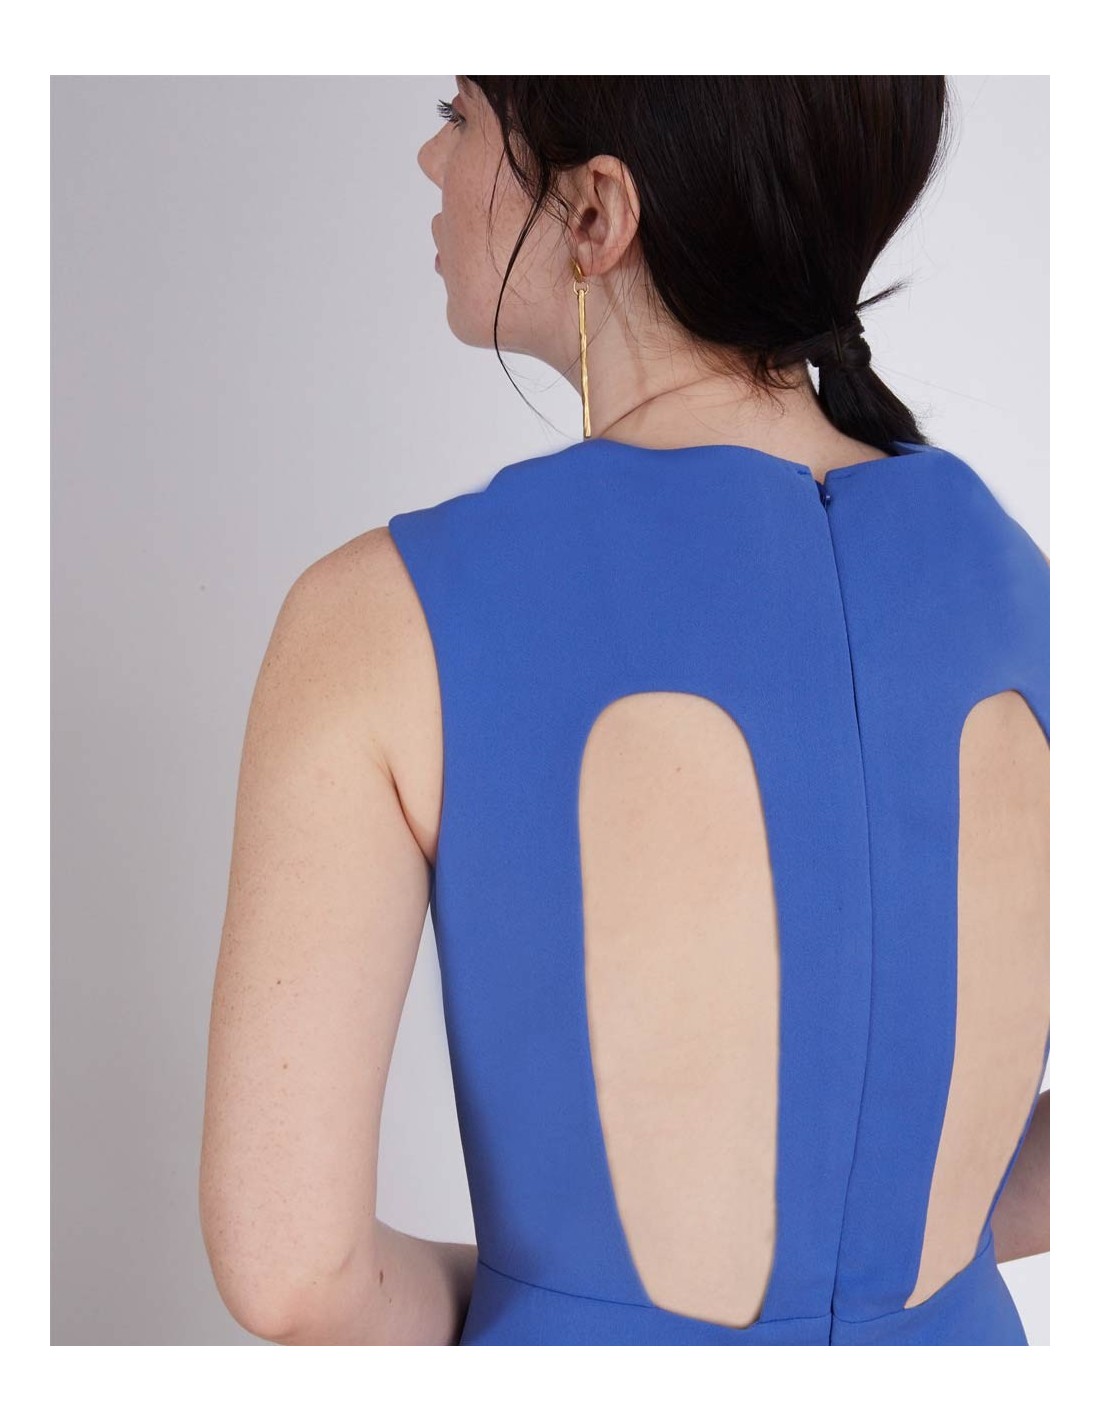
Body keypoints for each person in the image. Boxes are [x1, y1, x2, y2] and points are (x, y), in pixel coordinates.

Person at [199, 76, 1050, 1346]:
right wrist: (901, 1254)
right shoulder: (1025, 580)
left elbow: (295, 1276)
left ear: (596, 211)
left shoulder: (384, 617)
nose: (430, 159)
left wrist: (549, 1298)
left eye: (458, 114)